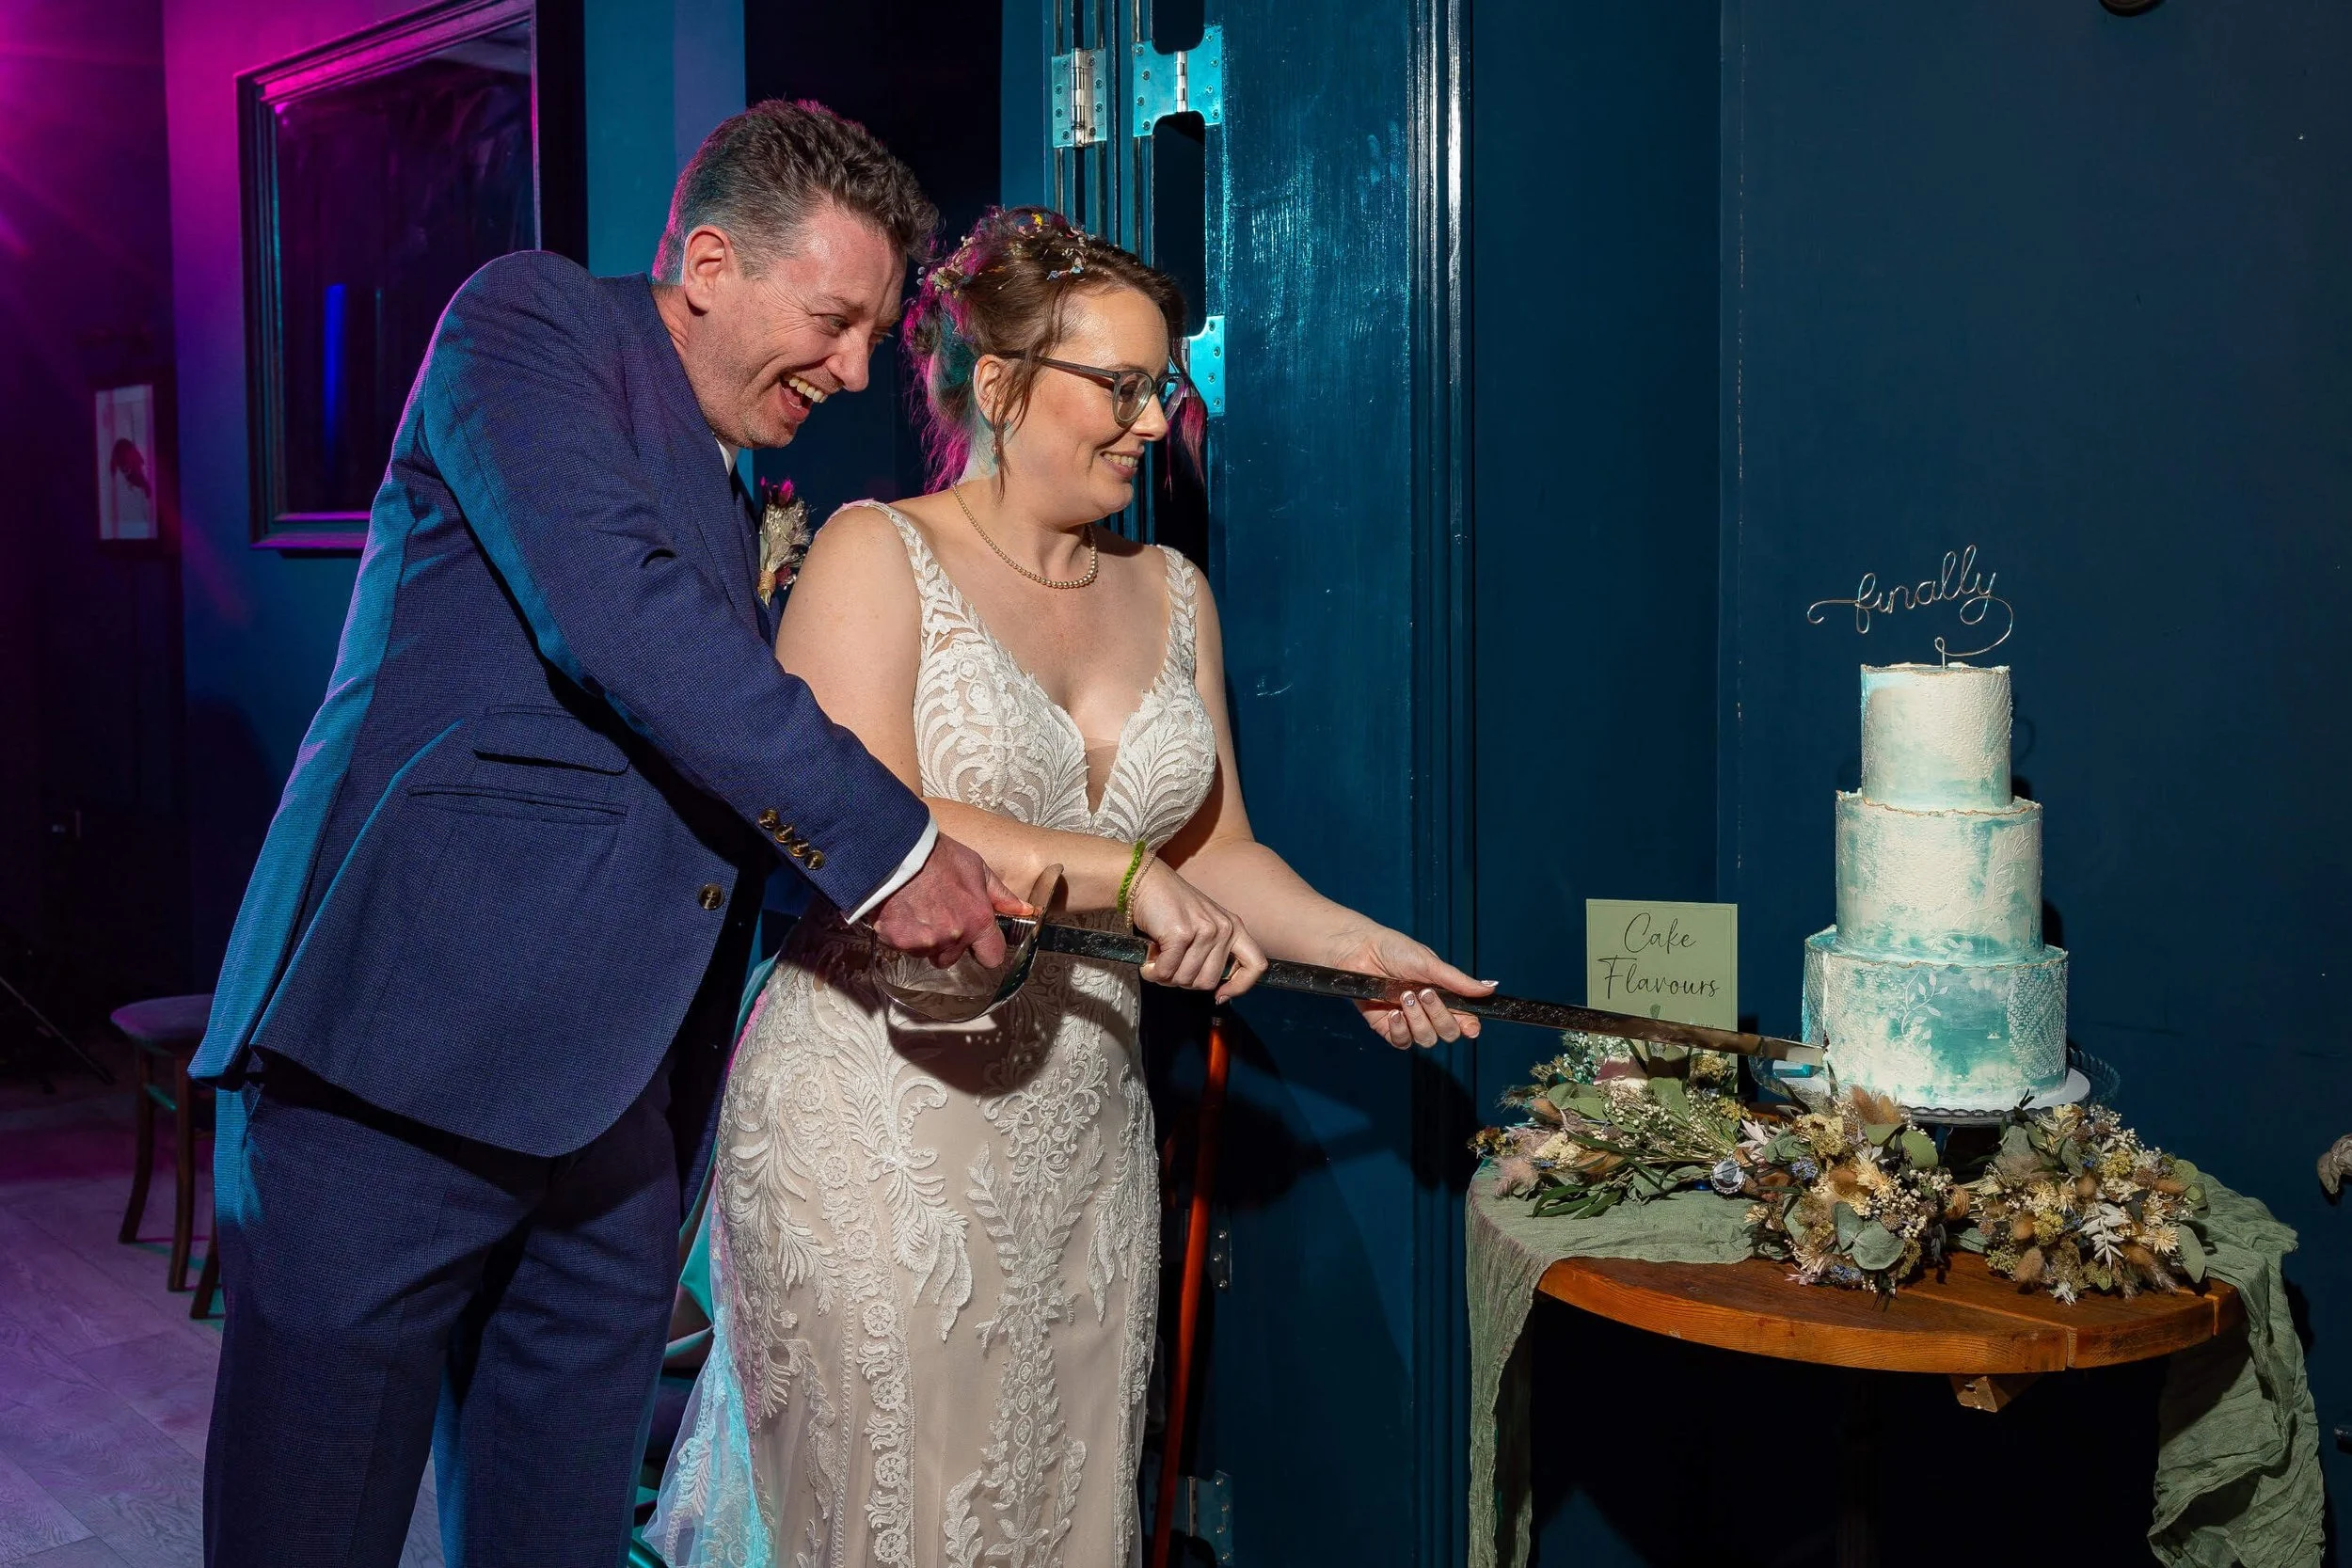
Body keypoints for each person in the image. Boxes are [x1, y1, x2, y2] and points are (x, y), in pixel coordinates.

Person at [192, 102, 1021, 1567]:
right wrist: (891, 856)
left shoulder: (737, 464)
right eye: (831, 322)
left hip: (614, 1128)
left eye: (868, 331)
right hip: (389, 1074)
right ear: (708, 262)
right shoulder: (528, 325)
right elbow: (617, 620)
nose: (848, 370)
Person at [647, 207, 1494, 1568]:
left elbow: (1214, 852)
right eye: (1120, 385)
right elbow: (863, 819)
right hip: (880, 1118)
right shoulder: (876, 552)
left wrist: (1367, 946)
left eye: (1163, 388)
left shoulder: (1172, 592)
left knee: (1057, 1507)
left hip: (1082, 1137)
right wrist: (1124, 871)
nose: (1154, 423)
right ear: (999, 387)